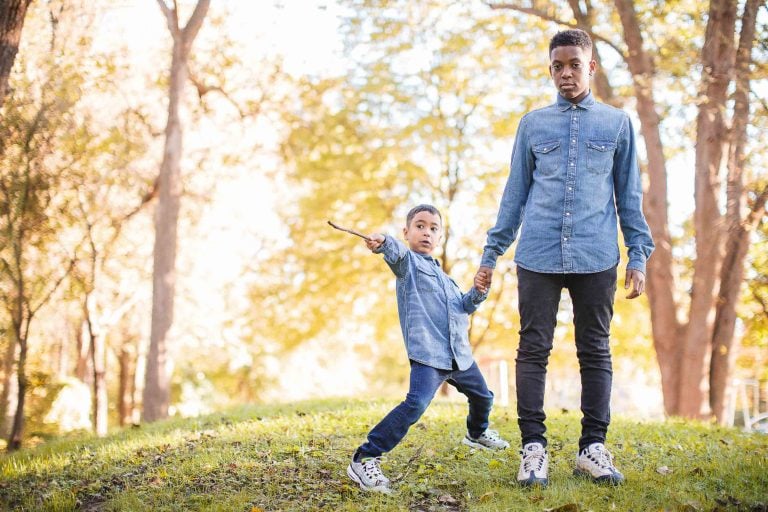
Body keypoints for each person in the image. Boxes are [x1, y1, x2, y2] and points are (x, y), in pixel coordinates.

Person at [474, 29, 654, 487]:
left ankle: (593, 447)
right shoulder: (532, 125)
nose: (566, 73)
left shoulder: (617, 124)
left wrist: (639, 252)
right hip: (538, 253)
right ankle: (533, 448)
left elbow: (629, 195)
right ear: (550, 69)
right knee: (533, 348)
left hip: (597, 254)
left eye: (574, 64)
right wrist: (491, 253)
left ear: (590, 67)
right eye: (558, 66)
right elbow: (514, 195)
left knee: (595, 350)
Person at [347, 204, 509, 494]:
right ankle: (365, 457)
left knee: (483, 397)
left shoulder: (445, 277)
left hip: (459, 355)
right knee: (417, 403)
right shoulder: (407, 264)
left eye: (434, 228)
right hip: (429, 356)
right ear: (407, 232)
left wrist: (478, 292)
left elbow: (462, 307)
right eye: (420, 226)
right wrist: (382, 242)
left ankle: (476, 433)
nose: (427, 232)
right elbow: (393, 251)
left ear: (440, 237)